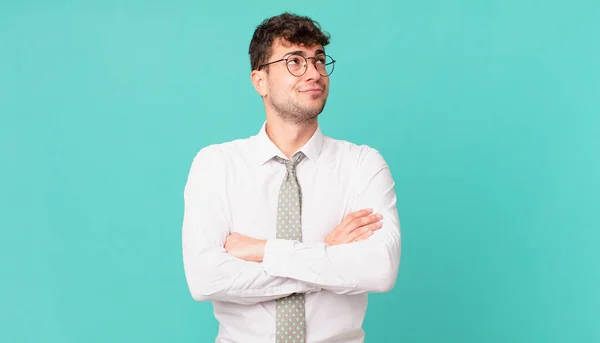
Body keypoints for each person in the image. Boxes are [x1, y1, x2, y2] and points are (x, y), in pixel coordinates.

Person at [181, 12, 401, 343]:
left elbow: (380, 271)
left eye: (319, 60)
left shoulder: (363, 165)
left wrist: (264, 250)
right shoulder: (215, 165)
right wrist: (325, 253)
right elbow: (205, 280)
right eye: (295, 61)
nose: (313, 73)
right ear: (260, 81)